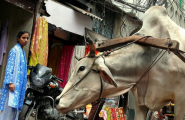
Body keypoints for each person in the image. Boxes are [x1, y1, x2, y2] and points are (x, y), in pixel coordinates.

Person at [0, 31, 30, 120]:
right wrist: (10, 83)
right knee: (8, 107)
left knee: (13, 109)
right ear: (18, 38)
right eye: (23, 38)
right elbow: (9, 67)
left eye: (27, 38)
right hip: (12, 86)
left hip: (18, 86)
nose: (26, 40)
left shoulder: (22, 51)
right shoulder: (14, 50)